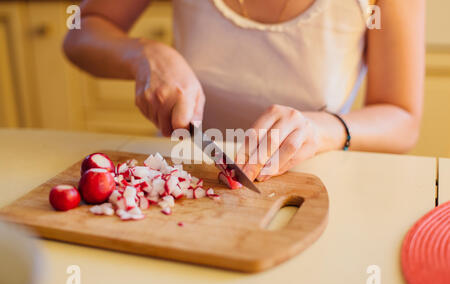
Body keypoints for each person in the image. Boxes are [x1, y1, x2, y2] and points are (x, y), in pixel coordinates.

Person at [64, 0, 425, 182]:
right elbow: (81, 29)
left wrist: (322, 130)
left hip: (321, 183)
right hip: (185, 172)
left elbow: (401, 116)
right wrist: (143, 53)